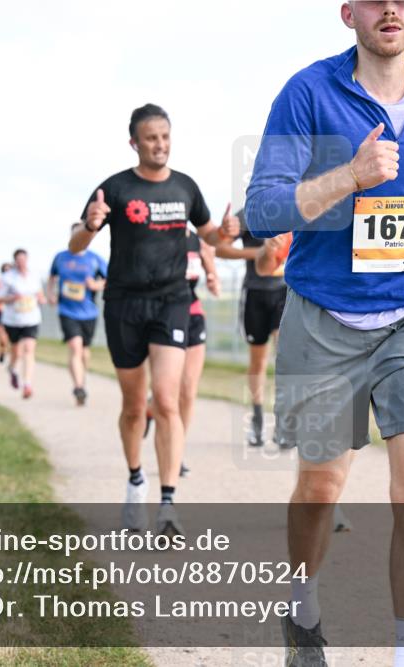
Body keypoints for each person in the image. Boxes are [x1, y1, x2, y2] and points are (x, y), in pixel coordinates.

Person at [246, 2, 404, 665]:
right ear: (349, 12)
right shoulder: (307, 92)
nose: (390, 10)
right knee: (321, 489)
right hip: (326, 316)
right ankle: (303, 610)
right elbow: (262, 211)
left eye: (403, 0)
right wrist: (350, 175)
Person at [69, 103, 239, 537]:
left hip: (172, 301)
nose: (160, 145)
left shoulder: (185, 187)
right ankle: (134, 481)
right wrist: (90, 226)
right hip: (124, 304)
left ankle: (167, 504)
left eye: (164, 136)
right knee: (132, 407)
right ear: (134, 143)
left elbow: (210, 236)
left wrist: (225, 233)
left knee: (166, 400)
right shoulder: (115, 188)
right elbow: (74, 244)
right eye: (150, 138)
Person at [144, 229, 221, 477]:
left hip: (193, 314)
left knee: (188, 390)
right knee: (168, 391)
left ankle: (177, 452)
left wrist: (213, 278)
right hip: (164, 317)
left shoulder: (197, 240)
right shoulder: (156, 235)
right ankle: (151, 408)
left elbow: (212, 275)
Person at [215, 210, 289, 447]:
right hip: (255, 294)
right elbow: (220, 248)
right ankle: (257, 419)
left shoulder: (294, 207)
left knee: (285, 358)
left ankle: (283, 422)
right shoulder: (249, 214)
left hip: (284, 291)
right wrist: (257, 252)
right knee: (258, 362)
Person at [49, 224, 108, 405]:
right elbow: (52, 277)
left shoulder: (95, 259)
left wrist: (96, 285)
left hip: (89, 312)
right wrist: (51, 294)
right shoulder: (61, 257)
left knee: (84, 352)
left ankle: (82, 378)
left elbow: (109, 279)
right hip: (67, 310)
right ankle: (79, 387)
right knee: (75, 347)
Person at [0, 249, 46, 399]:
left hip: (31, 318)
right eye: (19, 260)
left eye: (24, 259)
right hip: (13, 320)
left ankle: (27, 384)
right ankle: (11, 368)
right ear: (15, 261)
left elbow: (39, 294)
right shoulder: (8, 277)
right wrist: (12, 298)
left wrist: (42, 299)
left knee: (29, 350)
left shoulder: (34, 276)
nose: (22, 262)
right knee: (16, 352)